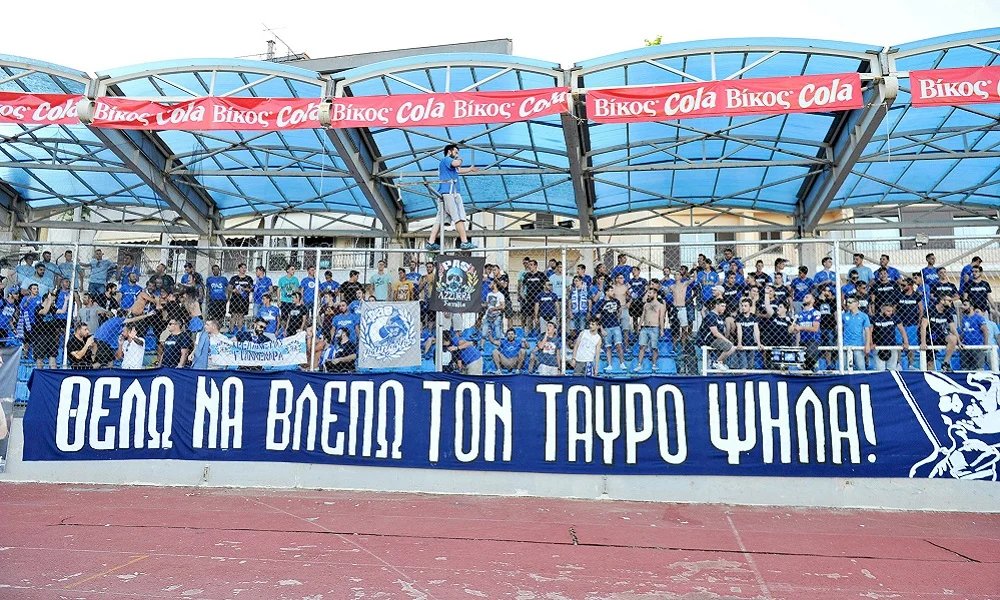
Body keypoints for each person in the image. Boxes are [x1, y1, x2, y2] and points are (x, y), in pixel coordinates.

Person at [425, 144, 478, 251]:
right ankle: (464, 241)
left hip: (444, 193)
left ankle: (431, 242)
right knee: (457, 216)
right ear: (449, 151)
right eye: (456, 152)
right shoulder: (447, 160)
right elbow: (457, 163)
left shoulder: (446, 164)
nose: (457, 154)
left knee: (440, 219)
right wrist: (460, 159)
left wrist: (470, 169)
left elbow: (459, 170)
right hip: (450, 192)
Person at [921, 294, 959, 372]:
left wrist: (959, 341)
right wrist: (923, 342)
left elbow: (952, 328)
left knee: (953, 338)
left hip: (941, 335)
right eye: (949, 301)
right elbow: (923, 326)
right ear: (942, 301)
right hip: (930, 337)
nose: (951, 303)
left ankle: (945, 363)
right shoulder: (930, 310)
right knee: (930, 363)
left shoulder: (948, 312)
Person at [698, 299, 735, 370]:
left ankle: (719, 362)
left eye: (725, 306)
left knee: (730, 348)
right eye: (722, 306)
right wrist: (727, 341)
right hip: (711, 340)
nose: (724, 308)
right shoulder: (711, 316)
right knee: (731, 347)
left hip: (717, 340)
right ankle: (717, 362)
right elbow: (715, 333)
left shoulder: (719, 317)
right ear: (716, 306)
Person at [634, 287, 665, 372]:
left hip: (655, 327)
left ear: (655, 294)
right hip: (645, 327)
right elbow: (642, 316)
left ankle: (654, 364)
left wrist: (662, 330)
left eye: (650, 293)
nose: (648, 295)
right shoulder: (646, 305)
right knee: (642, 346)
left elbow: (661, 318)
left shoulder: (660, 305)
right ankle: (639, 365)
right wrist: (639, 325)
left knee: (654, 347)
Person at [871, 302, 907, 371]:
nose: (890, 313)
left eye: (891, 311)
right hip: (878, 346)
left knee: (892, 368)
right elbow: (870, 331)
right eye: (888, 311)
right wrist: (871, 343)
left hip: (892, 345)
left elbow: (902, 330)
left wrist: (906, 342)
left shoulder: (894, 317)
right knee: (880, 369)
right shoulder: (875, 318)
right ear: (882, 310)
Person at [842, 297, 872, 371]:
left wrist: (867, 344)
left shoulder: (864, 316)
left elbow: (867, 331)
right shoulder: (844, 316)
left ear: (857, 303)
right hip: (845, 345)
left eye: (850, 302)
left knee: (860, 368)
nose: (848, 304)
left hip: (858, 345)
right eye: (847, 302)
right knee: (843, 368)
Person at [959, 299, 990, 371]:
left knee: (979, 369)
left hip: (977, 347)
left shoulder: (978, 318)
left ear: (971, 307)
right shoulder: (964, 318)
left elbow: (985, 330)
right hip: (965, 347)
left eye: (965, 305)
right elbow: (963, 332)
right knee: (964, 369)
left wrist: (985, 344)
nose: (962, 307)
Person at [793, 293, 822, 371]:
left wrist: (801, 328)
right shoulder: (798, 314)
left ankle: (813, 364)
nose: (804, 298)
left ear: (813, 300)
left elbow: (815, 328)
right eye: (804, 297)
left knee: (809, 359)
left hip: (813, 340)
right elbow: (795, 330)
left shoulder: (816, 313)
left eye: (807, 297)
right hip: (802, 341)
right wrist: (792, 328)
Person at [733, 299, 762, 371]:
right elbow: (739, 330)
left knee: (751, 366)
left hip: (751, 343)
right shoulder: (739, 317)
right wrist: (739, 343)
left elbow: (756, 330)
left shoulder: (754, 317)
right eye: (742, 306)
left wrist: (759, 343)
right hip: (742, 344)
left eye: (745, 306)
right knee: (744, 366)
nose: (743, 307)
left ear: (750, 307)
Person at [228, 263, 254, 332]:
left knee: (241, 315)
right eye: (242, 267)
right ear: (239, 269)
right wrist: (234, 290)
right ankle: (231, 331)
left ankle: (239, 331)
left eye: (245, 268)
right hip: (235, 299)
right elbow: (229, 287)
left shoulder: (249, 278)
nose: (244, 269)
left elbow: (252, 289)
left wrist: (244, 289)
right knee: (233, 315)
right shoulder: (234, 278)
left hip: (244, 299)